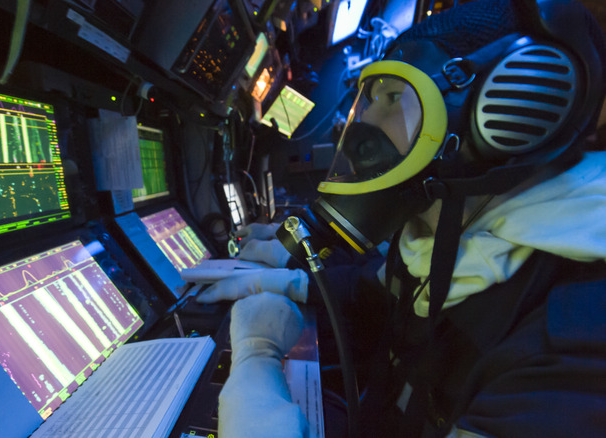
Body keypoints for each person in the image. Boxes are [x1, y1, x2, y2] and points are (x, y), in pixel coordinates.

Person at [208, 0, 606, 436]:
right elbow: (376, 296)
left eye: (395, 98)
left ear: (506, 112)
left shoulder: (581, 344)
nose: (359, 126)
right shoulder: (448, 233)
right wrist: (281, 282)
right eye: (371, 99)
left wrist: (254, 363)